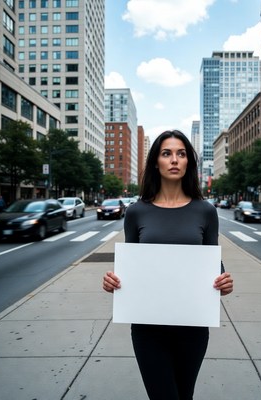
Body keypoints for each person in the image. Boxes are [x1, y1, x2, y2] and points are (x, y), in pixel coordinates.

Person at [102, 130, 233, 400]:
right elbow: (130, 267)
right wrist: (114, 281)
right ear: (155, 163)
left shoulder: (205, 211)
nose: (174, 160)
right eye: (166, 153)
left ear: (188, 163)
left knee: (184, 396)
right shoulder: (137, 211)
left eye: (181, 154)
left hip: (193, 327)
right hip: (147, 329)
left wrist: (224, 281)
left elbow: (213, 262)